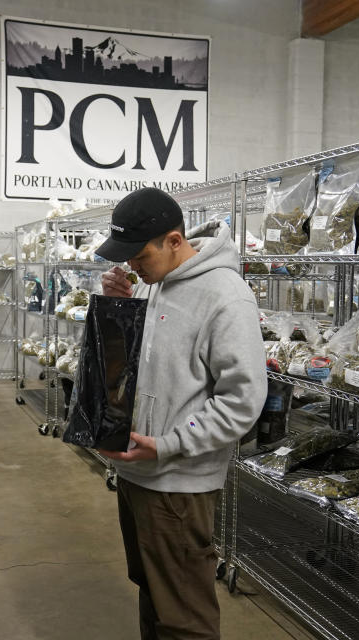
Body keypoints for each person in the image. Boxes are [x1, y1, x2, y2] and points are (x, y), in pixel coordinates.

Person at [94, 187, 267, 640]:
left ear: (174, 241)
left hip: (176, 484)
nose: (132, 263)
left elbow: (242, 400)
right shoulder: (155, 284)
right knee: (153, 593)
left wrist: (172, 443)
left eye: (139, 254)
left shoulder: (226, 297)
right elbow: (142, 366)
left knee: (184, 617)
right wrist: (120, 307)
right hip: (137, 473)